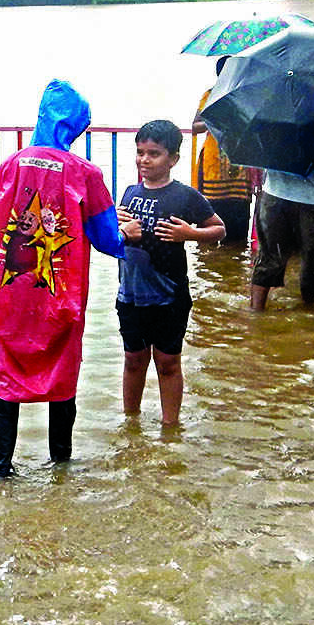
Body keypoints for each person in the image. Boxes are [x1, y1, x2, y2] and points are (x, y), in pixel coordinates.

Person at [0, 80, 125, 475]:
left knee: (8, 375)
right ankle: (61, 465)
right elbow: (108, 239)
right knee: (62, 377)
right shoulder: (85, 173)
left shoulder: (12, 163)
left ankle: (0, 466)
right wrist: (132, 237)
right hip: (60, 295)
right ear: (76, 124)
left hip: (9, 291)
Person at [115, 120, 225, 424]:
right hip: (131, 294)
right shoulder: (128, 192)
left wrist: (189, 234)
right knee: (133, 360)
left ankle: (170, 426)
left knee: (167, 362)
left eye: (154, 153)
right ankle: (131, 423)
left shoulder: (186, 196)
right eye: (140, 152)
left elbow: (218, 229)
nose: (144, 160)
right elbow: (113, 237)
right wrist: (116, 224)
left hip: (169, 295)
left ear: (173, 159)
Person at [189, 57, 254, 246]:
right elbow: (195, 127)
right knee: (210, 221)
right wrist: (218, 119)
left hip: (240, 167)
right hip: (213, 167)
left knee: (239, 228)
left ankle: (232, 268)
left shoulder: (246, 96)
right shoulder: (210, 95)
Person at [250, 165, 314, 310]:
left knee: (269, 257)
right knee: (313, 260)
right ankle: (310, 315)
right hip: (310, 201)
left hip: (276, 198)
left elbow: (258, 158)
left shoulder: (271, 141)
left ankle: (256, 312)